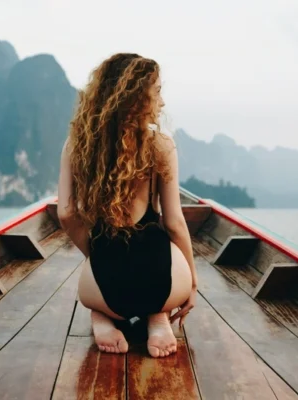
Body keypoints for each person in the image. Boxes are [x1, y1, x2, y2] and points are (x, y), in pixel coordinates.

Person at [57, 53, 198, 358]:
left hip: (104, 287)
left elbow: (66, 214)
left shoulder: (76, 145)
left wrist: (98, 257)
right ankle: (158, 316)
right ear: (139, 97)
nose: (161, 102)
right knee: (165, 247)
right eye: (157, 92)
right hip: (163, 284)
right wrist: (193, 282)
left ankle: (104, 314)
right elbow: (174, 223)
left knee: (106, 274)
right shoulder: (161, 144)